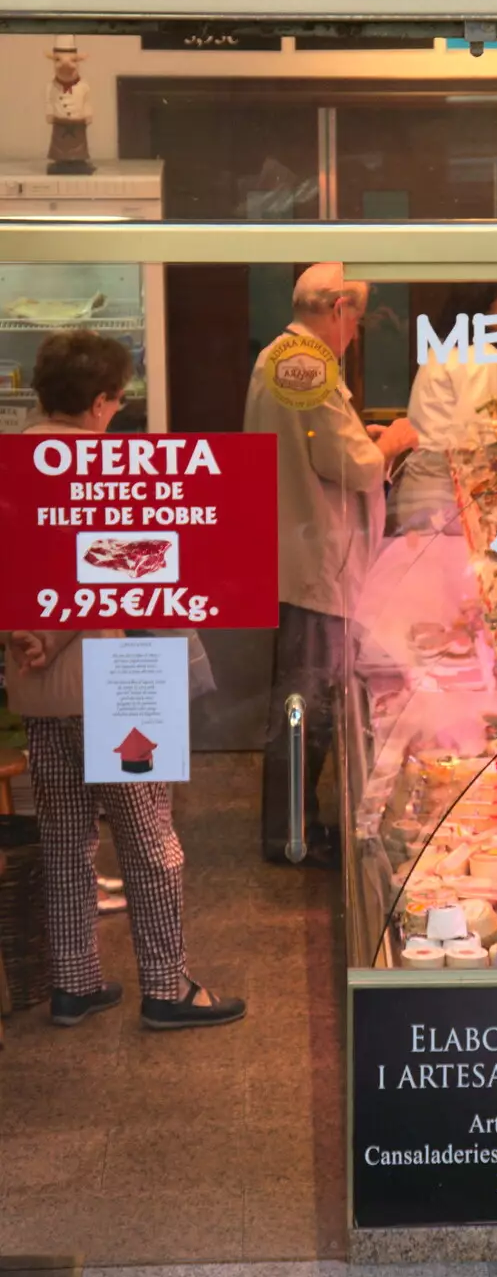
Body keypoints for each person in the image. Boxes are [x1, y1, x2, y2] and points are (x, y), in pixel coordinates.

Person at [2, 330, 245, 1029]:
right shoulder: (114, 469)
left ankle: (74, 983)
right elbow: (127, 569)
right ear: (102, 403)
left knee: (65, 837)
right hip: (127, 676)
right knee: (149, 841)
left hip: (37, 689)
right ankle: (169, 989)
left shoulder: (12, 464)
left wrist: (32, 634)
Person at [244, 264, 417, 865]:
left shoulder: (281, 355)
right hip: (316, 556)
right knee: (304, 706)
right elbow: (356, 466)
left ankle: (294, 827)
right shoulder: (306, 363)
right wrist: (391, 441)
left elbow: (323, 448)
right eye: (358, 319)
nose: (357, 332)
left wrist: (363, 441)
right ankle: (290, 836)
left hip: (303, 550)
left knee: (304, 701)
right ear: (339, 306)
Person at [388, 281, 497, 534]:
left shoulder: (443, 349)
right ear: (479, 302)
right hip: (451, 501)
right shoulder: (483, 358)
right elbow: (476, 442)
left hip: (419, 493)